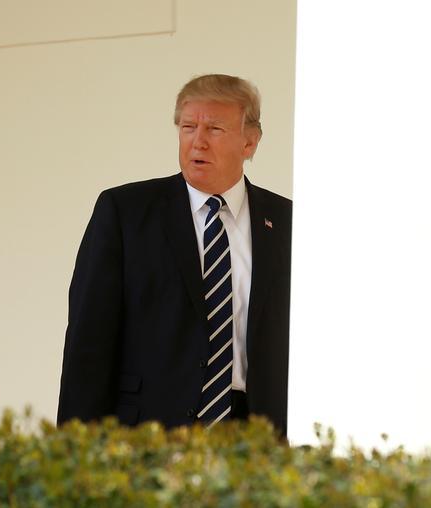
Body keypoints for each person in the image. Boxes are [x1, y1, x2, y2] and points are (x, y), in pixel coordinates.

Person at [57, 74, 291, 435]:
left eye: (214, 129)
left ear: (249, 141)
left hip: (256, 436)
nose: (198, 141)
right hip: (148, 434)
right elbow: (88, 343)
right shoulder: (126, 212)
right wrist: (75, 448)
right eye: (188, 127)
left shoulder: (289, 223)